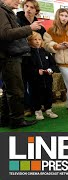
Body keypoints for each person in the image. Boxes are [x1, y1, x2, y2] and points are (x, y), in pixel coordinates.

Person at [0, 0, 42, 128]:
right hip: (10, 56)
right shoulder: (2, 12)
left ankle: (6, 119)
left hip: (11, 55)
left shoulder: (6, 12)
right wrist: (30, 28)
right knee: (16, 90)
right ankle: (17, 120)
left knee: (10, 90)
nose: (19, 1)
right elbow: (6, 34)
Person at [17, 0, 46, 117]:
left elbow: (44, 42)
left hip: (35, 59)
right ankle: (26, 107)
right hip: (20, 57)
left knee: (36, 84)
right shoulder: (16, 21)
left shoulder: (40, 26)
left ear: (36, 10)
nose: (29, 9)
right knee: (22, 84)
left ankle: (37, 105)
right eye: (26, 6)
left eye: (32, 7)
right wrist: (30, 28)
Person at [27, 32, 58, 120]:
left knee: (48, 93)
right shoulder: (28, 53)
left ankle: (48, 109)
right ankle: (38, 111)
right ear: (30, 41)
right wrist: (36, 71)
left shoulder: (46, 52)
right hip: (35, 80)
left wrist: (51, 70)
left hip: (47, 79)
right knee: (36, 94)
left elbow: (53, 64)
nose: (37, 41)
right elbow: (26, 68)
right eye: (35, 39)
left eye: (39, 39)